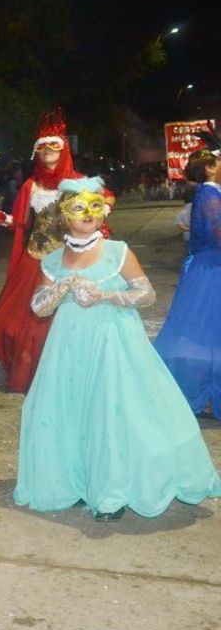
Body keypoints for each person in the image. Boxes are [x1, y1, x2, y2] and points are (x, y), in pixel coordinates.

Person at [14, 177, 221, 520]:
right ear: (63, 214)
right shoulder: (52, 259)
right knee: (74, 410)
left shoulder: (117, 251)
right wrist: (63, 286)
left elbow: (147, 293)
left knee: (111, 413)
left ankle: (114, 491)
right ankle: (77, 483)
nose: (88, 213)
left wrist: (107, 295)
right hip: (68, 345)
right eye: (78, 207)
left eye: (95, 206)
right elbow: (38, 307)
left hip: (114, 343)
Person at [0, 108, 82, 393]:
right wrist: (5, 220)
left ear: (63, 149)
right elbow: (25, 222)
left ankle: (67, 373)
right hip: (36, 260)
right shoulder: (31, 185)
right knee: (12, 320)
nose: (47, 150)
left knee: (64, 319)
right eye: (41, 146)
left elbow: (95, 215)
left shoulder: (77, 183)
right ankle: (34, 372)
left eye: (54, 145)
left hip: (68, 260)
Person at [154, 140, 221, 418]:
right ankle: (203, 390)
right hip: (212, 270)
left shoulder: (209, 194)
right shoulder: (210, 197)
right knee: (206, 334)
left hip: (207, 267)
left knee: (205, 334)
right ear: (209, 168)